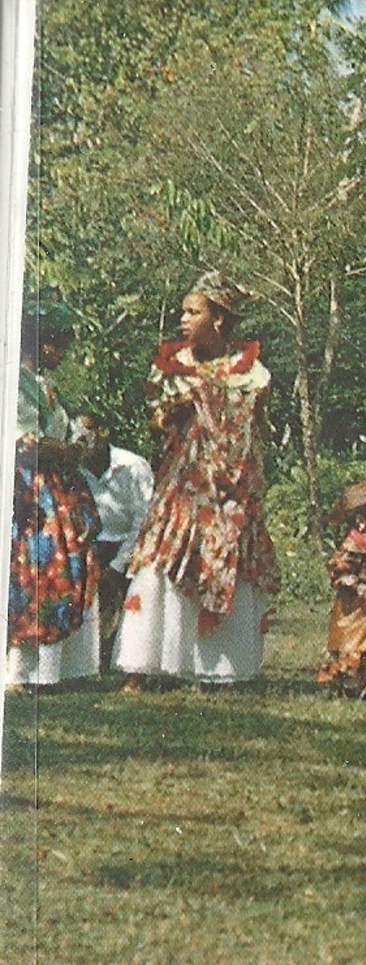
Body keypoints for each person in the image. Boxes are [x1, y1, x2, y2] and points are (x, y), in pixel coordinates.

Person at [114, 272, 279, 689]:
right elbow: (155, 422)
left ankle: (220, 668)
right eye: (184, 312)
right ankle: (144, 666)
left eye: (194, 312)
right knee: (162, 558)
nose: (184, 320)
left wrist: (217, 403)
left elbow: (257, 426)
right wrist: (178, 407)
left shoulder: (251, 372)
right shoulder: (175, 365)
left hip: (229, 483)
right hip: (184, 482)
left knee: (226, 556)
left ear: (219, 319)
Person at [6, 294, 101, 692]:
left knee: (55, 572)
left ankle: (49, 670)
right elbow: (27, 444)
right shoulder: (17, 384)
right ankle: (17, 670)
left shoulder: (45, 387)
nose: (60, 352)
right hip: (29, 492)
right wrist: (72, 451)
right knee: (29, 571)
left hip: (55, 488)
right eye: (55, 342)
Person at [72, 413, 154, 667]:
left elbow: (144, 520)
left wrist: (118, 566)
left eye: (86, 435)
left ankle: (124, 654)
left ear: (102, 432)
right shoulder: (75, 470)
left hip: (132, 546)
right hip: (92, 546)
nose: (81, 442)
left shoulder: (133, 466)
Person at [316, 479, 366, 699]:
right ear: (361, 520)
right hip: (353, 610)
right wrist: (361, 589)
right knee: (352, 646)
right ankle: (346, 685)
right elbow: (339, 571)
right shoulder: (354, 545)